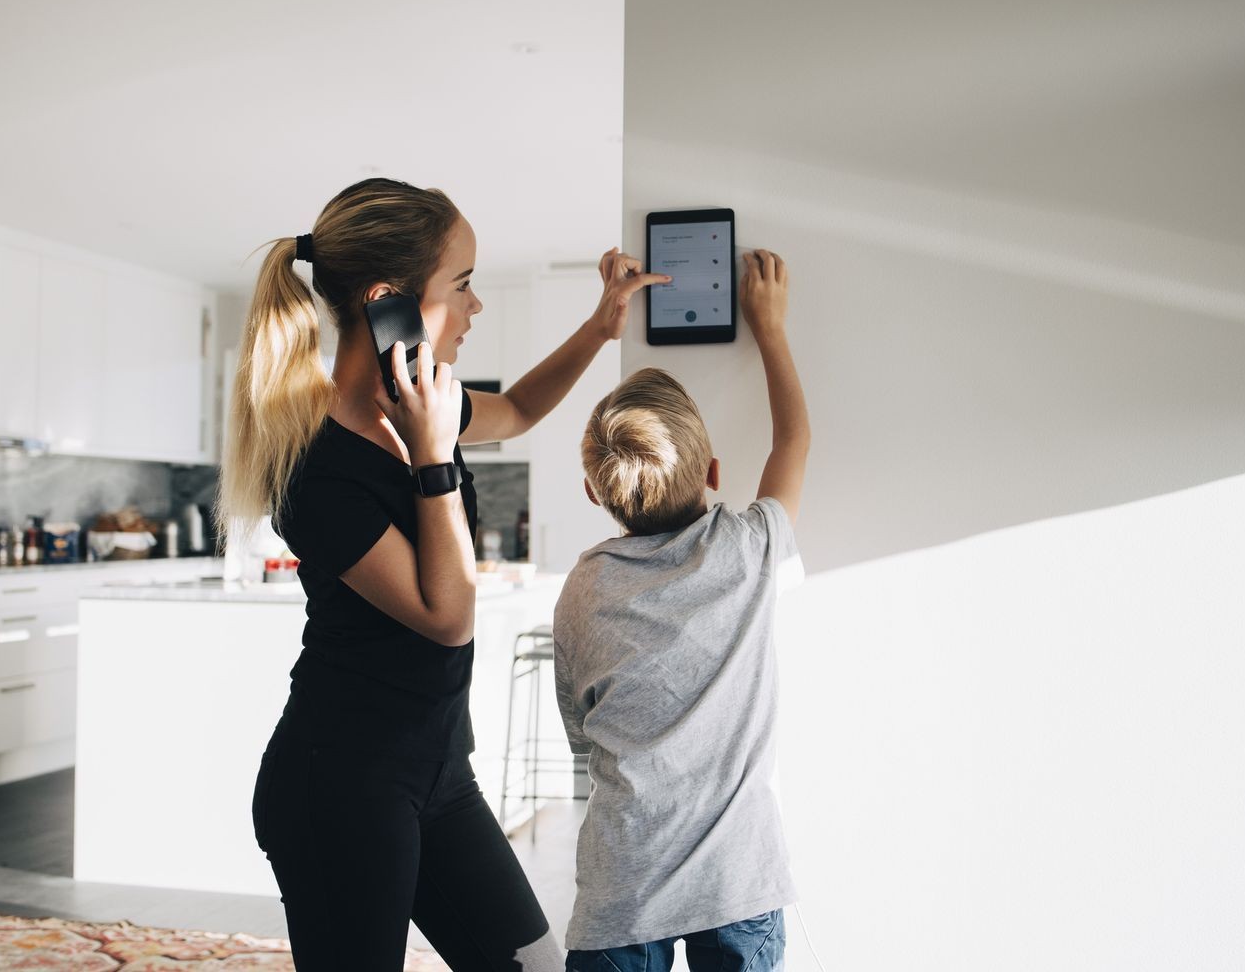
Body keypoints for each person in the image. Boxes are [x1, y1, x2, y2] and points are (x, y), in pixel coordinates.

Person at [218, 177, 667, 971]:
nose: (474, 307)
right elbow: (447, 613)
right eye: (460, 285)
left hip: (436, 774)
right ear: (390, 302)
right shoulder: (316, 470)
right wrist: (431, 457)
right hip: (340, 786)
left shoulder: (427, 402)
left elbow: (523, 407)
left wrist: (601, 328)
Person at [552, 249, 810, 971]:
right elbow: (795, 441)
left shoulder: (584, 586)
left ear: (594, 496)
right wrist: (771, 328)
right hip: (738, 886)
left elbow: (580, 731)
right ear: (715, 474)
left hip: (621, 893)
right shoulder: (748, 548)